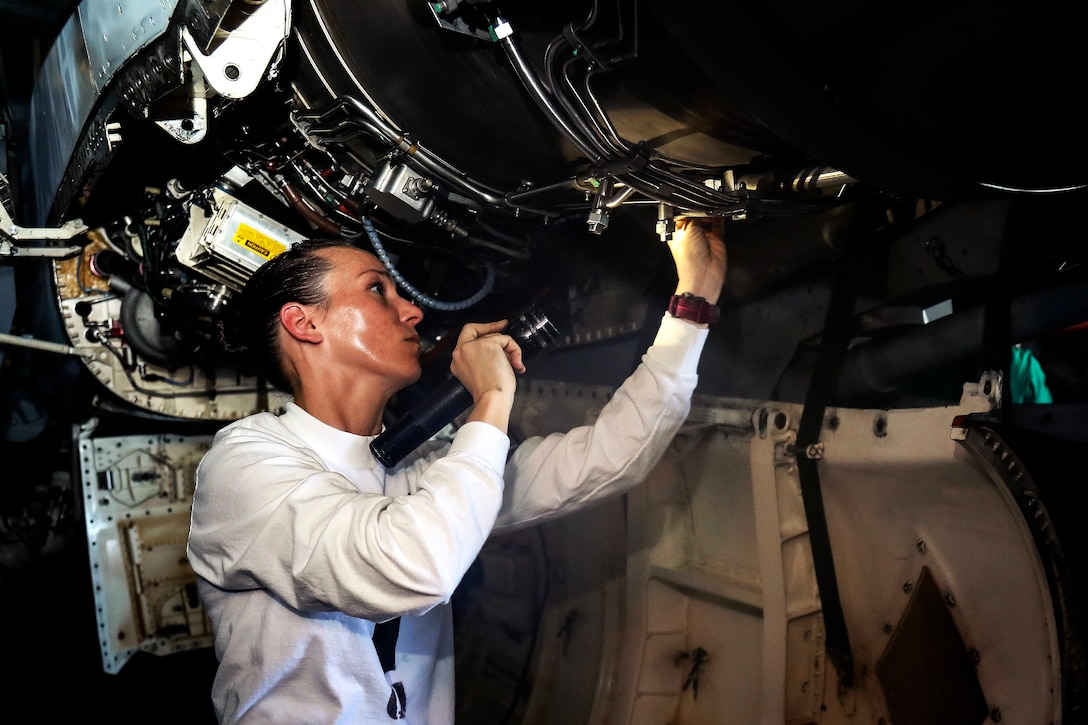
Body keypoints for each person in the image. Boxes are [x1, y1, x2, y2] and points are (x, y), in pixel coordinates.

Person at [186, 216, 727, 723]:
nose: (413, 311)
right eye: (378, 289)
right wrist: (490, 397)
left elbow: (612, 458)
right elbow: (412, 568)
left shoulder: (421, 472)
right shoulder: (245, 464)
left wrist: (695, 298)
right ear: (303, 323)